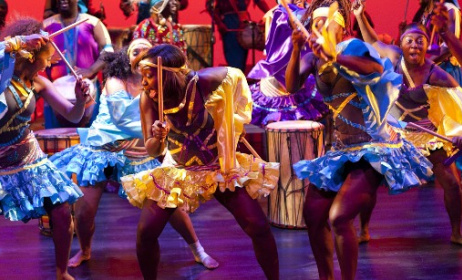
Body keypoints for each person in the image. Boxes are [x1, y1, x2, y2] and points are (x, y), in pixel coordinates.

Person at [285, 1, 434, 279]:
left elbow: (375, 69)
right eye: (315, 24)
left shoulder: (352, 48)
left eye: (325, 24)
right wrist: (295, 49)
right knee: (313, 215)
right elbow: (290, 86)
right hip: (341, 149)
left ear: (340, 29)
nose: (319, 28)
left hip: (373, 148)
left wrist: (335, 57)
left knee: (339, 218)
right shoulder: (312, 58)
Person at [50, 38, 219, 270]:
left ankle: (198, 249)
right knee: (84, 211)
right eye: (134, 50)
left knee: (171, 205)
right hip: (101, 150)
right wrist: (159, 109)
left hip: (140, 152)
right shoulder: (114, 80)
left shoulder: (158, 87)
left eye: (145, 51)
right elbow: (124, 119)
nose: (139, 53)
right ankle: (85, 250)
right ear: (126, 57)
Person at [120, 44, 280, 279]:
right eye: (142, 75)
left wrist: (233, 122)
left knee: (259, 227)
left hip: (217, 168)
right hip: (177, 170)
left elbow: (235, 75)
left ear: (169, 73)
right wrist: (157, 137)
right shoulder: (150, 99)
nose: (143, 82)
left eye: (148, 75)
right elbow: (153, 151)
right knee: (146, 232)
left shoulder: (203, 82)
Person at [354, 0, 462, 245]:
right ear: (400, 44)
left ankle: (457, 232)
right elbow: (372, 41)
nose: (414, 45)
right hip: (394, 130)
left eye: (420, 40)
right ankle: (363, 229)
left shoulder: (435, 72)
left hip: (426, 132)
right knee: (369, 178)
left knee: (452, 183)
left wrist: (459, 132)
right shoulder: (392, 58)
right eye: (409, 40)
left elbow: (458, 99)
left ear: (426, 46)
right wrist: (360, 16)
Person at [0, 18, 91, 280]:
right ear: (30, 55)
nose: (50, 62)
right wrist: (17, 43)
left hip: (28, 157)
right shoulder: (2, 75)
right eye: (45, 56)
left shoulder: (38, 83)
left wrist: (81, 99)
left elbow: (73, 116)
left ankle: (61, 272)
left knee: (62, 210)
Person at [246, 0, 328, 126]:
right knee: (277, 130)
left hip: (301, 76)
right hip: (279, 79)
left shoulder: (305, 11)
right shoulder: (279, 13)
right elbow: (297, 18)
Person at [43, 0, 113, 128]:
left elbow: (108, 51)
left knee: (89, 139)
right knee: (57, 141)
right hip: (55, 93)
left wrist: (91, 70)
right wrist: (46, 58)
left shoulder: (93, 23)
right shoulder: (46, 25)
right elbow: (32, 56)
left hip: (88, 88)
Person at [206, 0, 271, 73]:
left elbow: (259, 1)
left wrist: (270, 14)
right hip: (229, 24)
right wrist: (219, 22)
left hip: (243, 25)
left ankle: (238, 80)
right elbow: (209, 5)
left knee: (241, 60)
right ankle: (236, 80)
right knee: (235, 61)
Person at [413, 0, 462, 84]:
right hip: (428, 73)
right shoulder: (424, 13)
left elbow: (448, 49)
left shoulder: (450, 9)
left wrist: (424, 64)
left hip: (446, 72)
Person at [119, 0, 188, 24]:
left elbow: (184, 3)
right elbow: (124, 4)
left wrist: (177, 4)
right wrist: (127, 5)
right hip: (144, 27)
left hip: (168, 26)